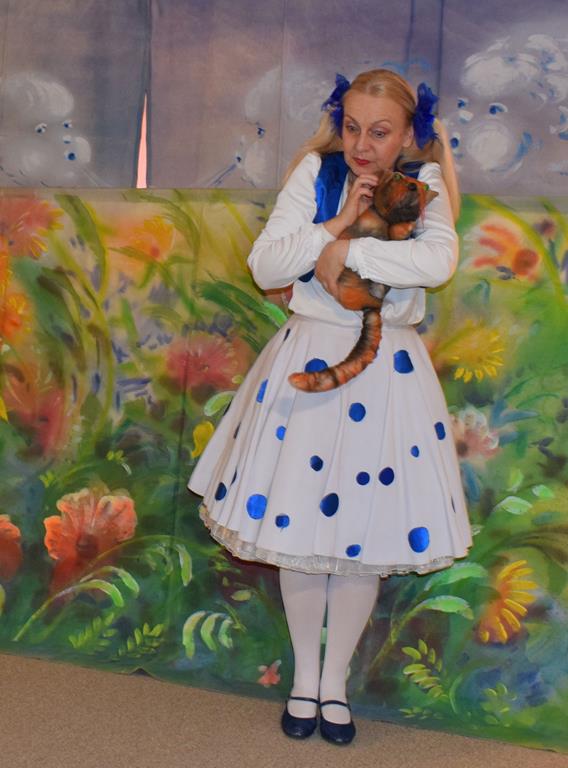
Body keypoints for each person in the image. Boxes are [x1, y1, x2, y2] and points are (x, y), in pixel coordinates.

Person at [188, 68, 472, 745]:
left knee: (359, 538)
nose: (362, 145)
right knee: (298, 527)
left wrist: (348, 250)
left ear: (407, 135)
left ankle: (335, 684)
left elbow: (436, 262)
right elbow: (267, 265)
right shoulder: (317, 174)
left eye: (379, 132)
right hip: (310, 360)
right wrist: (333, 226)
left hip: (386, 375)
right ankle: (305, 681)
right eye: (352, 128)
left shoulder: (422, 183)